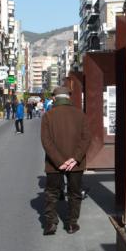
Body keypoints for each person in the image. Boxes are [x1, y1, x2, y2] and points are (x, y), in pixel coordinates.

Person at [41, 86, 90, 235]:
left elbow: (46, 141)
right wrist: (74, 159)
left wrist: (59, 161)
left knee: (52, 193)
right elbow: (86, 138)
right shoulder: (80, 114)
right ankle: (71, 224)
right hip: (76, 163)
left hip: (53, 163)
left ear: (54, 99)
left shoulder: (48, 116)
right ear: (69, 98)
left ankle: (50, 224)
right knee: (75, 193)